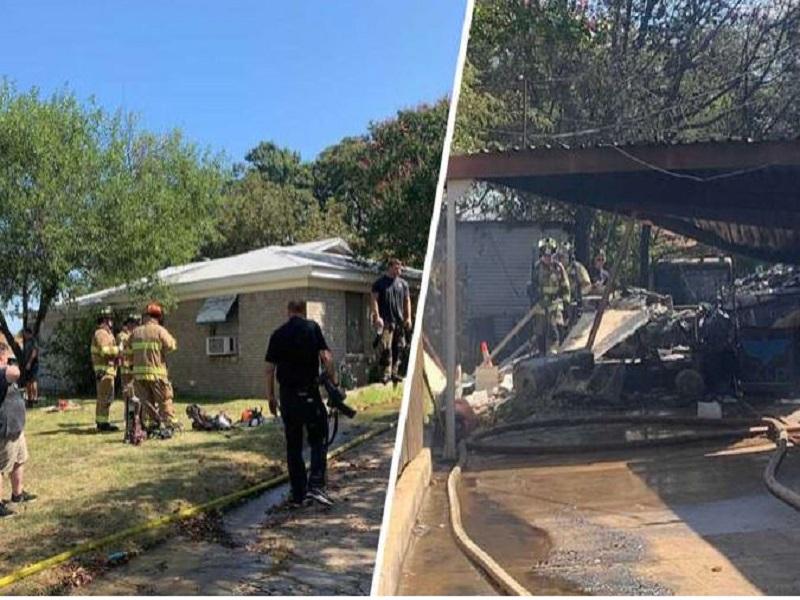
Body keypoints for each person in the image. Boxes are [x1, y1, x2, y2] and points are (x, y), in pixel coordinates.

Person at [265, 300, 337, 508]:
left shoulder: (277, 334)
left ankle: (298, 494)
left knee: (294, 446)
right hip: (310, 395)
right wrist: (334, 383)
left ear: (288, 312)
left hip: (288, 397)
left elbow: (269, 369)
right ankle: (316, 485)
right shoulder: (312, 328)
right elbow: (326, 358)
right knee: (318, 438)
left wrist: (271, 397)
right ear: (303, 312)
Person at [131, 303, 178, 434]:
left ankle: (152, 424)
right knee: (164, 400)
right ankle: (170, 424)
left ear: (145, 316)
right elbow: (171, 345)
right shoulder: (159, 330)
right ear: (158, 317)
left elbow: (128, 351)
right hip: (157, 374)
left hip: (139, 376)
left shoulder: (135, 332)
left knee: (146, 402)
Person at [0, 342, 35, 518]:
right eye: (6, 355)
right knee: (1, 467)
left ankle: (17, 494)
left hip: (16, 427)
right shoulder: (2, 372)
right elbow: (14, 372)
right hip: (5, 429)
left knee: (19, 460)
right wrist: (11, 364)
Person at [371, 258, 413, 384]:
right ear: (390, 267)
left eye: (400, 268)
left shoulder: (403, 284)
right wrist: (377, 316)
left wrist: (408, 317)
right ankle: (385, 374)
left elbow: (407, 301)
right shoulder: (380, 283)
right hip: (386, 321)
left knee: (399, 347)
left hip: (399, 322)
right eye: (396, 267)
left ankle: (395, 373)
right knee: (385, 347)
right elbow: (373, 300)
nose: (399, 270)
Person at [528, 237, 570, 355]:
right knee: (540, 332)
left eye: (550, 255)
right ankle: (541, 353)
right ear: (541, 255)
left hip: (555, 304)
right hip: (541, 306)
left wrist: (566, 304)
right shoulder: (536, 269)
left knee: (556, 328)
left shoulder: (558, 268)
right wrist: (536, 298)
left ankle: (555, 351)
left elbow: (565, 287)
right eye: (546, 256)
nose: (548, 258)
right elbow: (533, 286)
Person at [91, 306, 120, 432]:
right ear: (104, 321)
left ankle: (102, 421)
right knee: (104, 397)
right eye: (109, 319)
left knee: (106, 397)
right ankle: (103, 423)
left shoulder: (106, 333)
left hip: (108, 371)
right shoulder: (101, 334)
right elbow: (105, 351)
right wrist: (119, 350)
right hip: (104, 371)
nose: (111, 322)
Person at [556, 241, 591, 328]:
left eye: (563, 257)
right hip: (560, 306)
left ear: (570, 257)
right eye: (559, 257)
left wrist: (577, 295)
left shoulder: (577, 268)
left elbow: (587, 285)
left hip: (575, 306)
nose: (560, 260)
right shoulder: (556, 269)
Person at [116, 314, 140, 402]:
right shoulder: (122, 335)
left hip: (134, 366)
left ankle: (134, 412)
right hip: (126, 367)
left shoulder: (134, 334)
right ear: (130, 324)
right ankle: (128, 412)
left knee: (135, 391)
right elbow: (121, 349)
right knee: (128, 391)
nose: (137, 326)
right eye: (135, 324)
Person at [20, 328, 39, 406]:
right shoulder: (26, 342)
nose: (24, 335)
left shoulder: (33, 341)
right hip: (27, 365)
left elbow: (34, 352)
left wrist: (29, 363)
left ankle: (35, 399)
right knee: (28, 382)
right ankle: (30, 400)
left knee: (33, 381)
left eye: (25, 334)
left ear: (28, 333)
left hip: (33, 364)